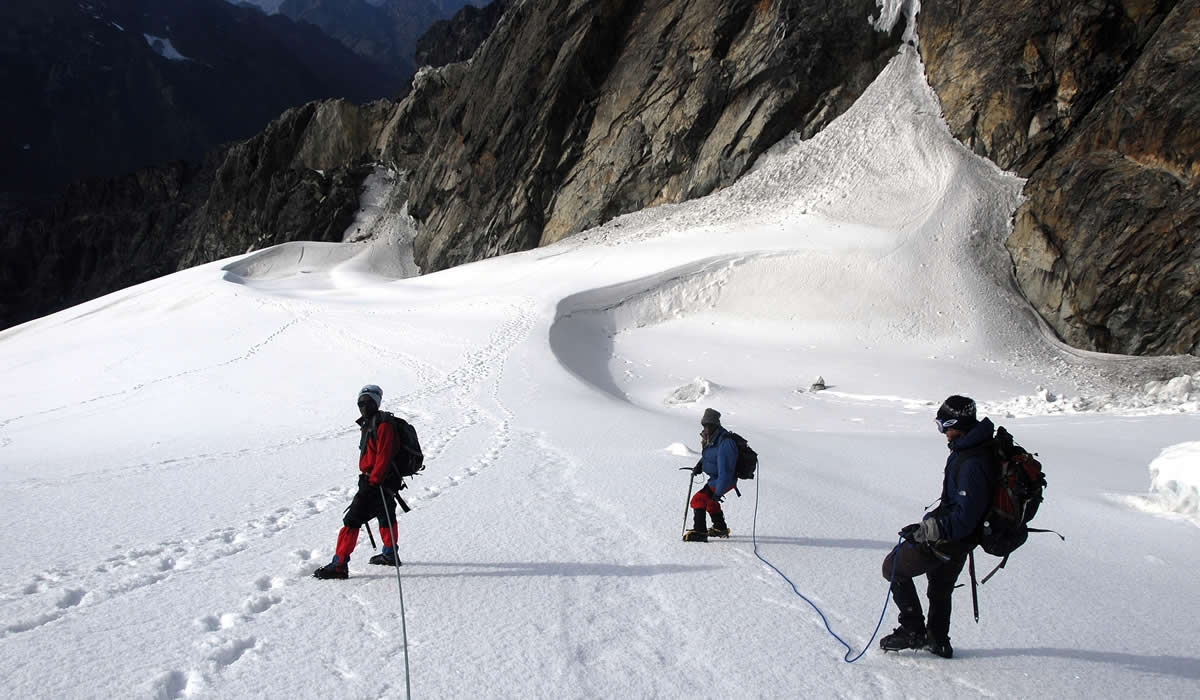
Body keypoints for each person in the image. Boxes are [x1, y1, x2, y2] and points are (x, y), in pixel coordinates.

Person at [879, 395, 995, 658]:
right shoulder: (969, 449)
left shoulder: (973, 462)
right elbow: (955, 504)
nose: (942, 433)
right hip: (961, 537)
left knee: (893, 567)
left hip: (955, 537)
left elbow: (963, 518)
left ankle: (913, 631)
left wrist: (927, 530)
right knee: (940, 586)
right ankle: (938, 640)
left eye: (944, 426)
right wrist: (928, 521)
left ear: (957, 423)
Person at [313, 384, 403, 580]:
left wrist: (374, 481)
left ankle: (339, 565)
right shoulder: (371, 423)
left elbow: (385, 455)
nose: (363, 406)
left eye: (368, 401)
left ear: (376, 402)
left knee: (352, 520)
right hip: (380, 480)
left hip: (376, 481)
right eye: (360, 402)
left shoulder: (383, 424)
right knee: (385, 515)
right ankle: (390, 554)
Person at [684, 408, 738, 542]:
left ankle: (700, 532)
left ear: (716, 424)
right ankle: (720, 528)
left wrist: (718, 493)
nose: (706, 427)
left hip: (724, 480)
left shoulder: (725, 442)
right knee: (709, 502)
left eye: (709, 425)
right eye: (704, 425)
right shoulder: (713, 438)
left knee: (698, 500)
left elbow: (725, 470)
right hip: (717, 479)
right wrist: (700, 466)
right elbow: (710, 455)